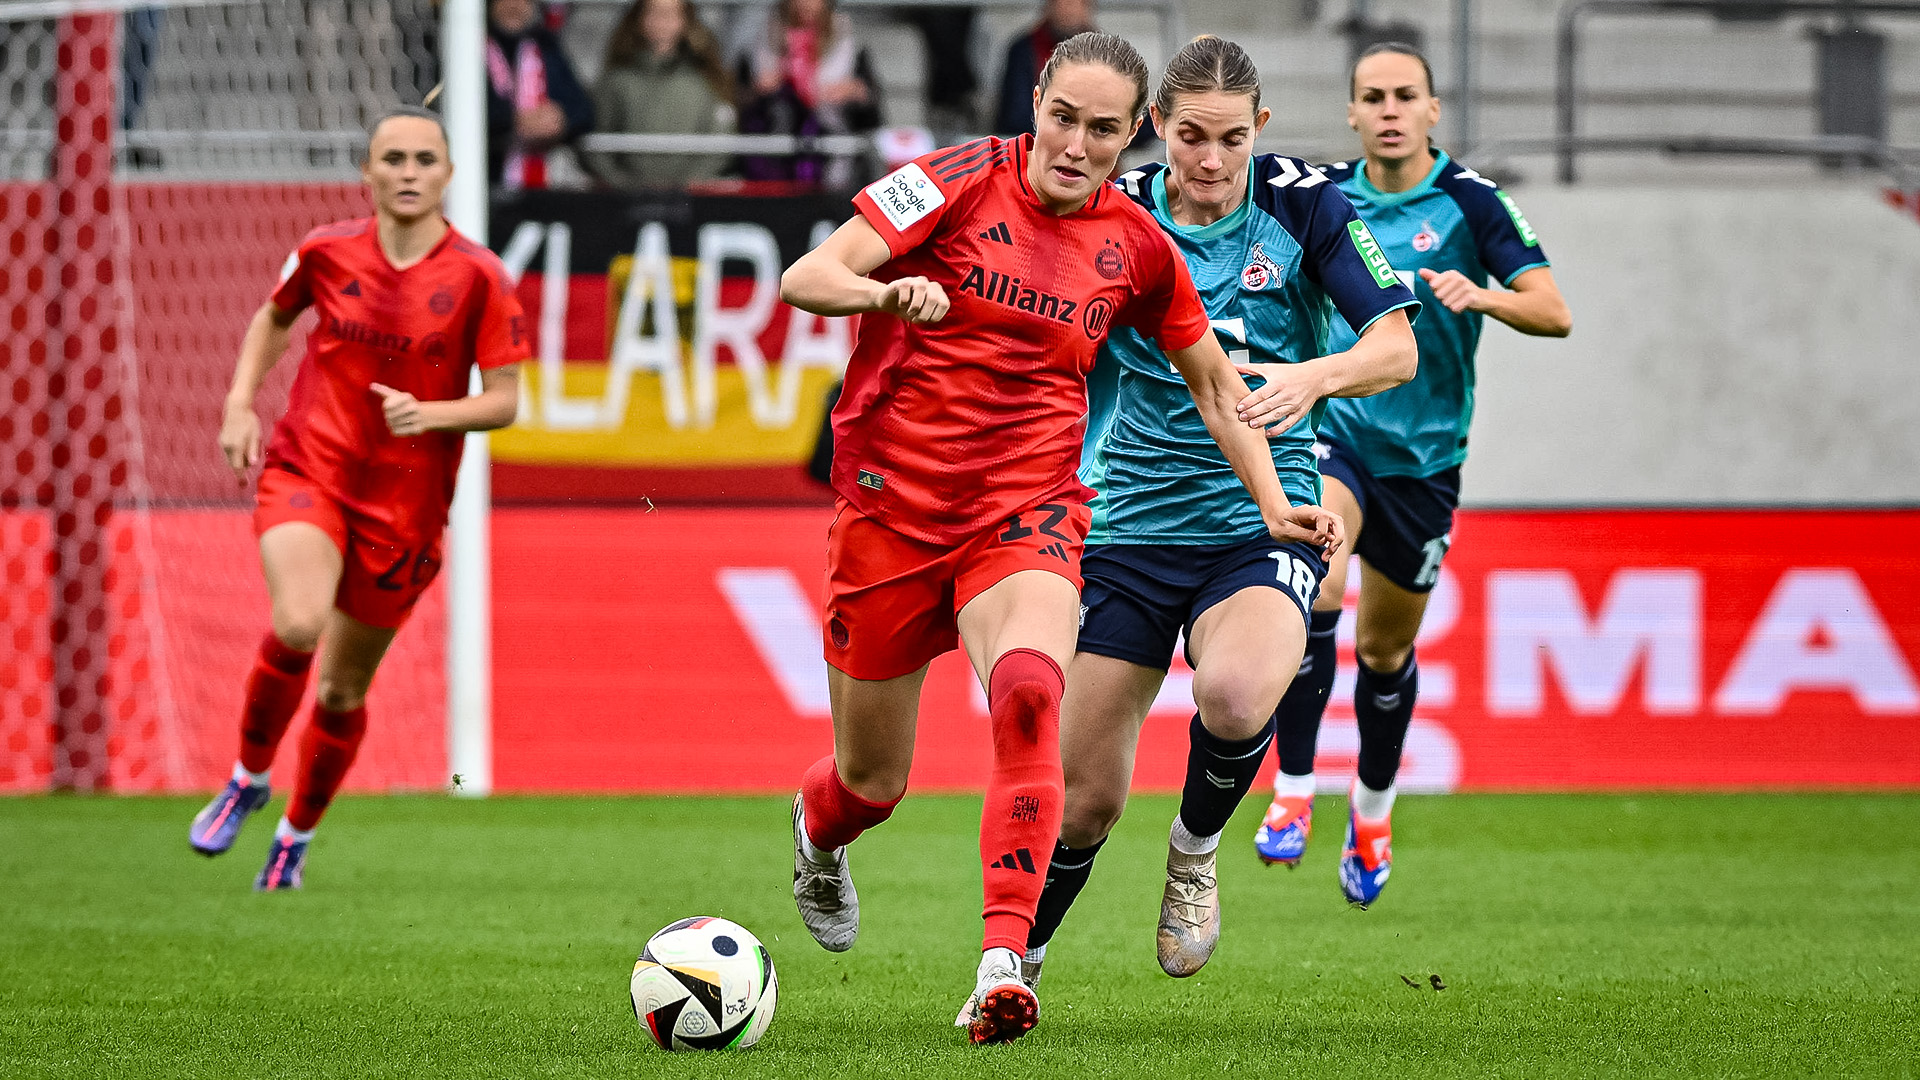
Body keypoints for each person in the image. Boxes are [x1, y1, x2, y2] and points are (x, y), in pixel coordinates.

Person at [778, 31, 1336, 1045]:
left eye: (1103, 129)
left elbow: (1214, 382)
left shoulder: (1139, 246)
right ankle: (817, 840)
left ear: (1135, 138)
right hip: (890, 512)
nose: (1076, 143)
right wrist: (883, 292)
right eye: (1063, 116)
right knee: (871, 783)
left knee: (1032, 689)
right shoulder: (945, 181)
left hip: (1024, 508)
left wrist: (1269, 503)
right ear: (1035, 100)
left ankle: (1003, 961)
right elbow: (809, 276)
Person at [1017, 35, 1420, 987]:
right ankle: (1014, 965)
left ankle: (1194, 857)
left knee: (1238, 695)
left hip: (1262, 518)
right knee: (1082, 803)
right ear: (1157, 127)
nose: (1208, 161)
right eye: (1190, 136)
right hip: (1125, 527)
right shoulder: (1114, 214)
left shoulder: (1307, 206)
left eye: (1230, 140)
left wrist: (1314, 378)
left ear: (1260, 129)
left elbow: (1395, 349)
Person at [1256, 41, 1572, 907]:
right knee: (1311, 585)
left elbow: (1555, 310)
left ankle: (1373, 808)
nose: (1390, 109)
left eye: (1406, 95)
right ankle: (1291, 793)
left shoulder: (1471, 202)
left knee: (1384, 649)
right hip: (1339, 434)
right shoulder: (1321, 200)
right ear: (1351, 115)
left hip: (1427, 462)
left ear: (1433, 111)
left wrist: (1487, 296)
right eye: (1372, 96)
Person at [189, 107, 527, 891]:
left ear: (448, 174)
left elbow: (506, 400)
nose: (409, 172)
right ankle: (246, 775)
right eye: (394, 158)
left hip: (405, 509)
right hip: (311, 467)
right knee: (299, 620)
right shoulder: (324, 250)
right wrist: (240, 401)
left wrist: (432, 415)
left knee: (343, 687)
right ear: (368, 173)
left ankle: (295, 835)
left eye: (425, 159)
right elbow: (274, 318)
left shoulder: (480, 275)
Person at [587, 0, 735, 190]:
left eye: (671, 14)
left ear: (685, 21)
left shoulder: (706, 80)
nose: (661, 22)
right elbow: (594, 141)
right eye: (653, 13)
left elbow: (719, 143)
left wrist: (689, 184)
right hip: (624, 200)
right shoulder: (615, 81)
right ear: (638, 19)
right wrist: (620, 183)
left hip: (689, 199)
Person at [739, 0, 880, 185]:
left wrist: (856, 91)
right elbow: (739, 102)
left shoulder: (849, 39)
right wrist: (761, 92)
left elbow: (872, 107)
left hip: (834, 148)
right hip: (777, 149)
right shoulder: (765, 36)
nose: (805, 4)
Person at [486, 0, 595, 189]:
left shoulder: (545, 46)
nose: (515, 5)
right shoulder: (464, 48)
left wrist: (560, 118)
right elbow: (457, 112)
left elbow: (583, 110)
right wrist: (513, 122)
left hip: (540, 184)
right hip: (483, 177)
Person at [993, 0, 1096, 137]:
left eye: (1077, 3)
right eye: (1062, 2)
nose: (1069, 10)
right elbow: (1015, 117)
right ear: (1048, 6)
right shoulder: (1023, 50)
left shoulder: (1106, 53)